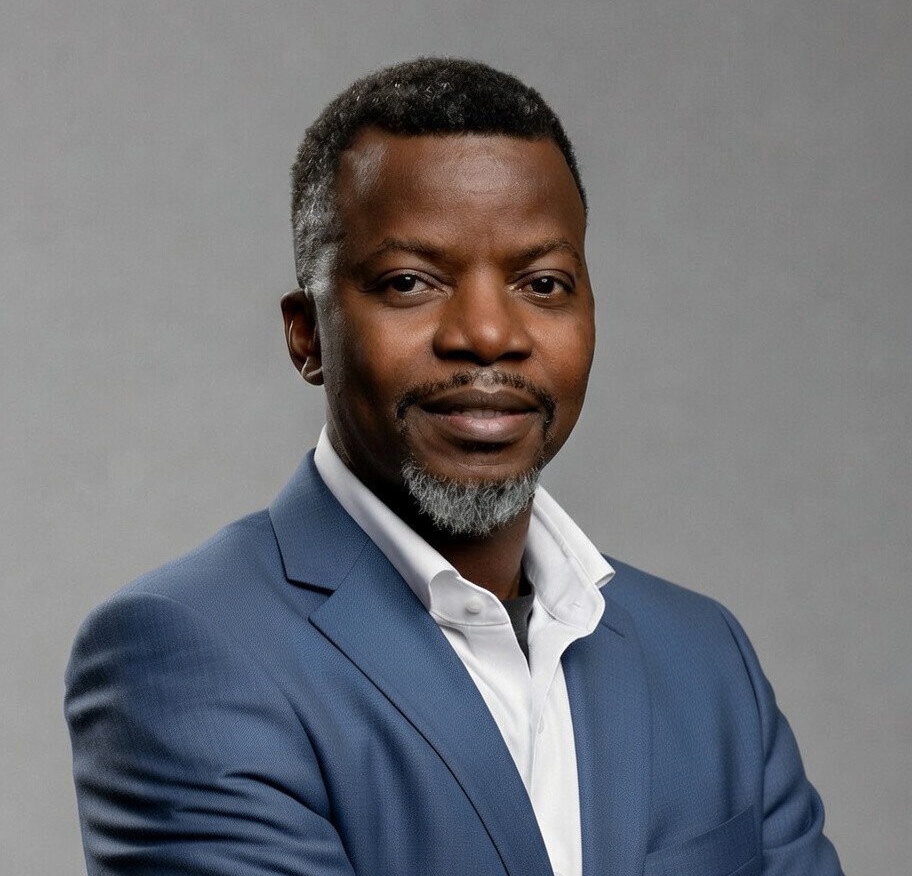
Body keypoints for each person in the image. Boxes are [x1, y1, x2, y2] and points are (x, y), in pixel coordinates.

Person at [64, 57, 844, 876]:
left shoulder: (704, 657)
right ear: (307, 335)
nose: (487, 334)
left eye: (543, 283)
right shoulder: (188, 650)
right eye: (410, 282)